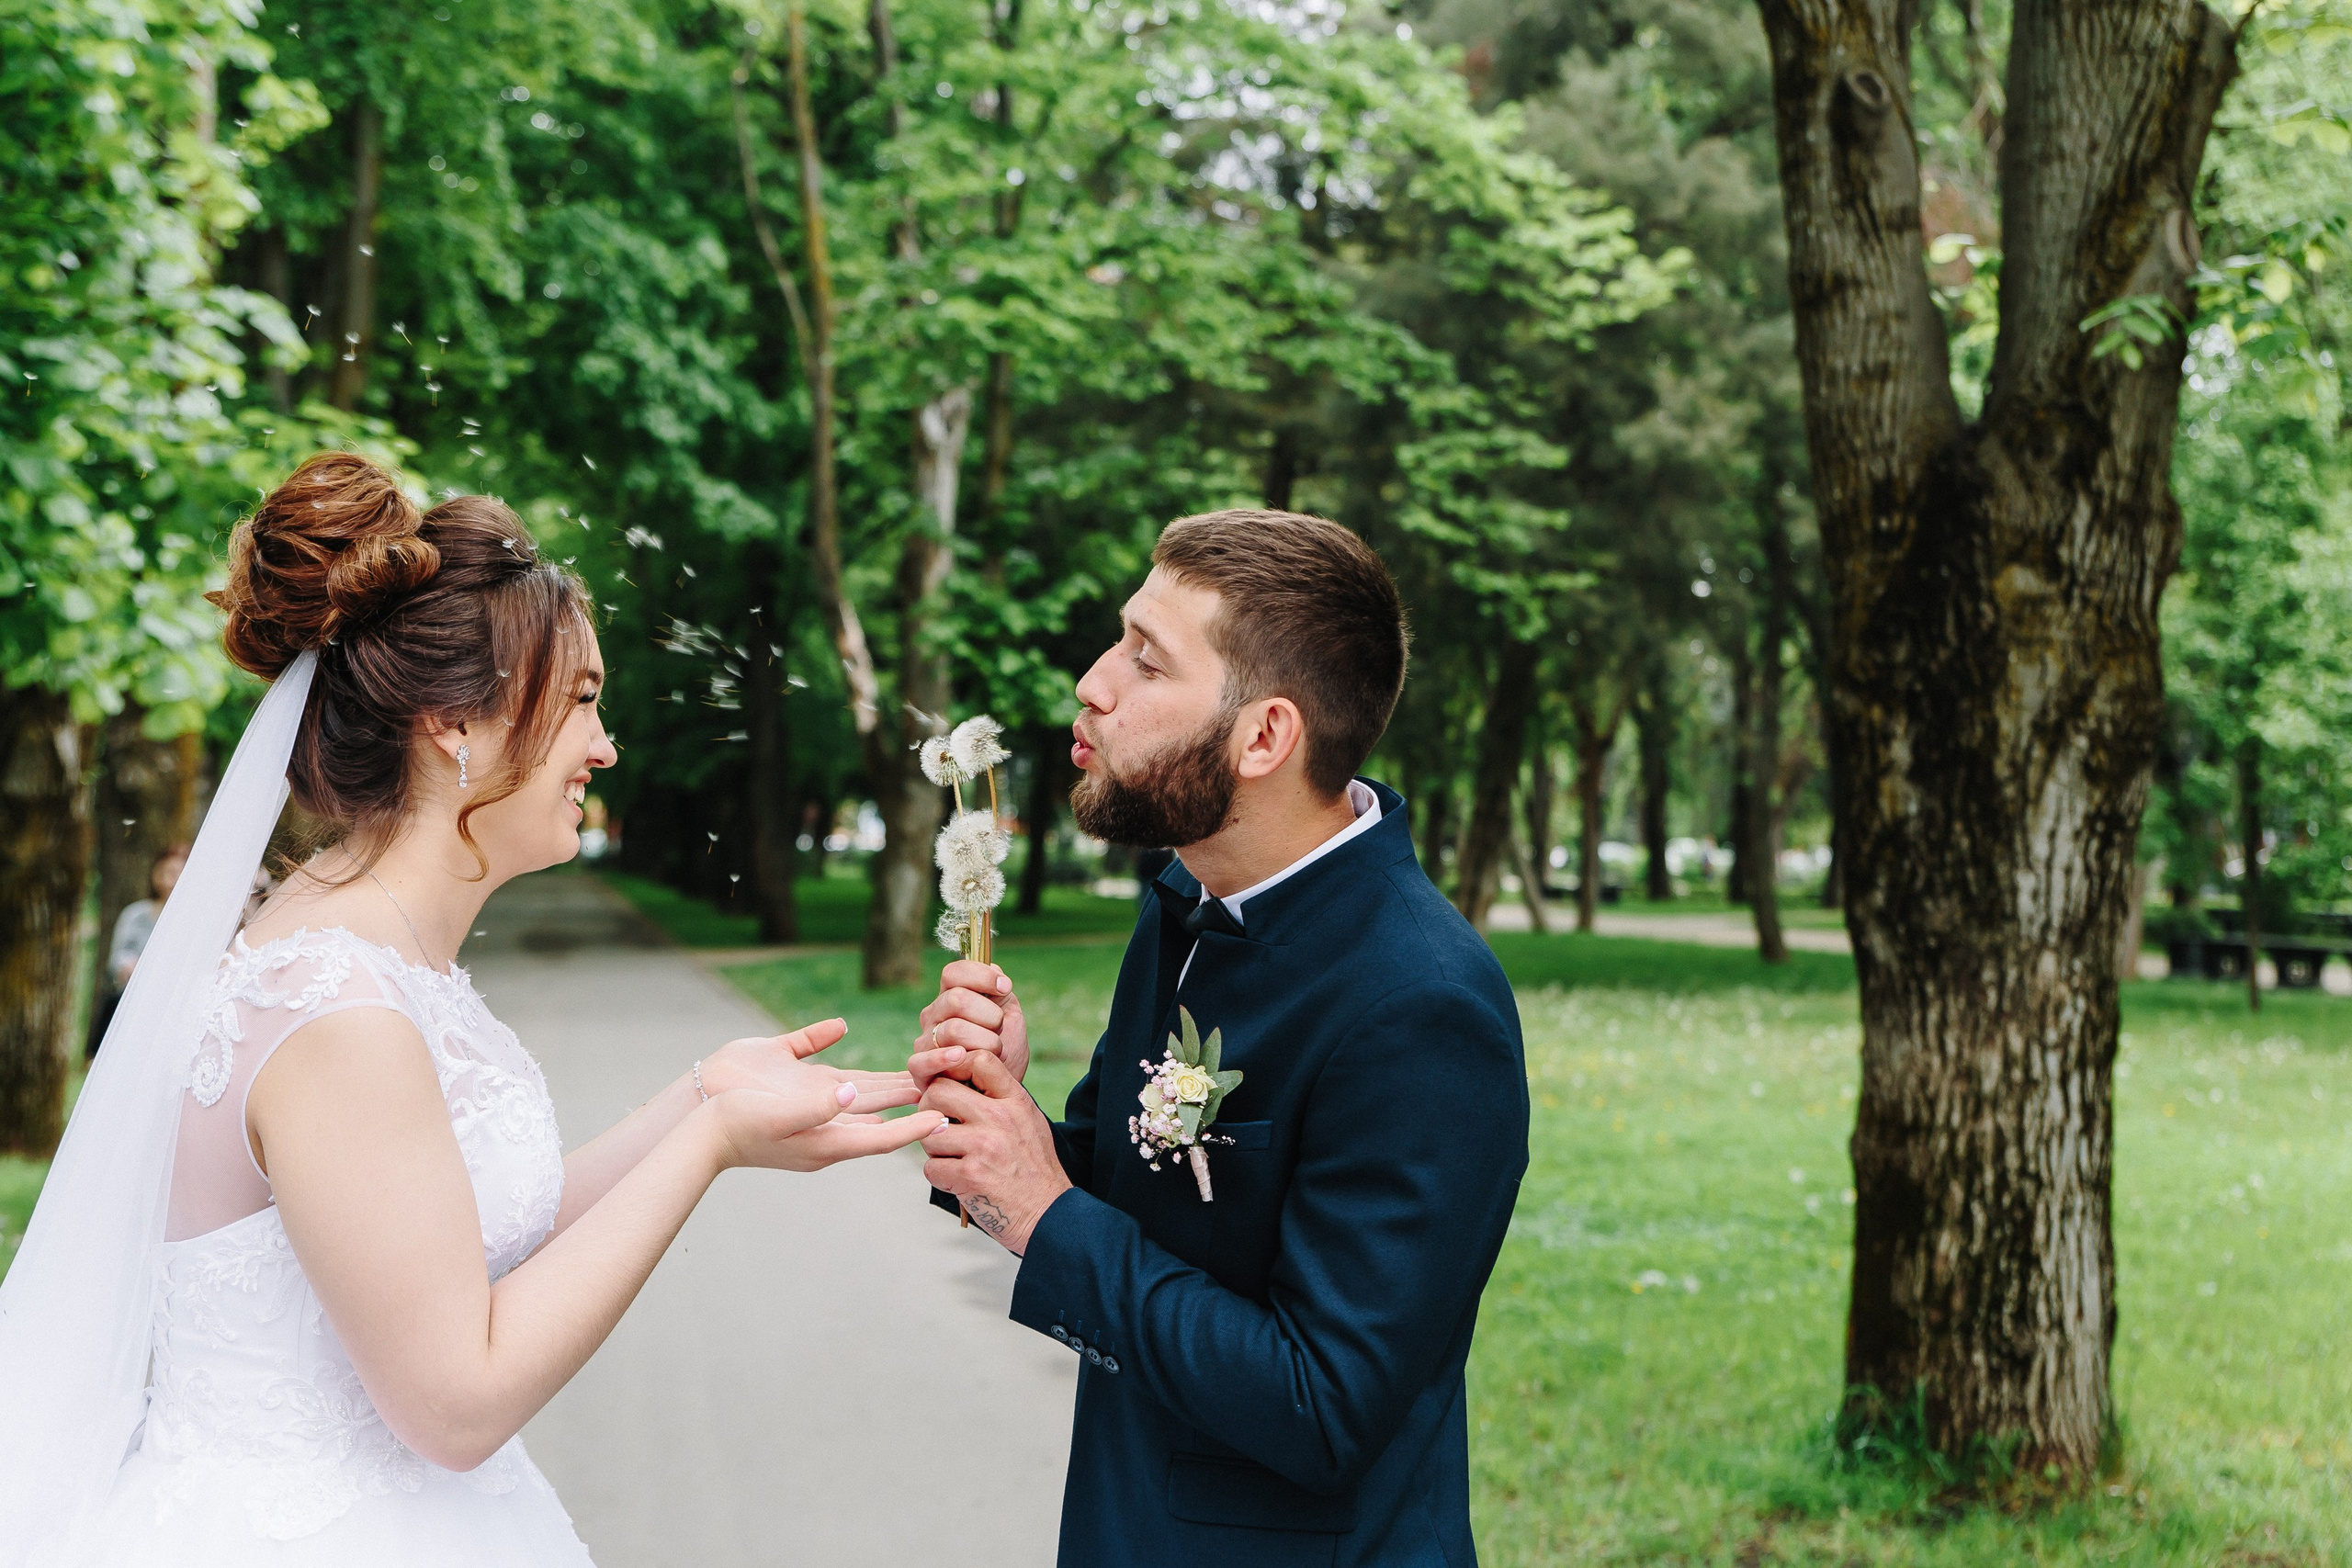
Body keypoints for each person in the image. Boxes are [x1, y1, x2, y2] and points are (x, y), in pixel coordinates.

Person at [0, 453, 946, 1567]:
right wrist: (705, 1148)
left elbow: (450, 1239)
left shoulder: (368, 956)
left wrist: (702, 1096)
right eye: (584, 700)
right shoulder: (337, 1010)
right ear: (454, 723)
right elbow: (454, 1405)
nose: (605, 745)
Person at [910, 513, 1529, 1565]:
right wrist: (1005, 1126)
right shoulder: (1185, 900)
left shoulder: (1424, 1009)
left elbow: (1323, 1406)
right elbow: (1140, 1200)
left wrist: (1042, 1209)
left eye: (1146, 661)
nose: (1093, 684)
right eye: (1119, 640)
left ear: (1263, 737)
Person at [85, 844, 188, 1060]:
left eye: (179, 873)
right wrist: (127, 965)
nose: (172, 881)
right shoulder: (135, 915)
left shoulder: (190, 921)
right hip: (131, 1003)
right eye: (167, 872)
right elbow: (118, 956)